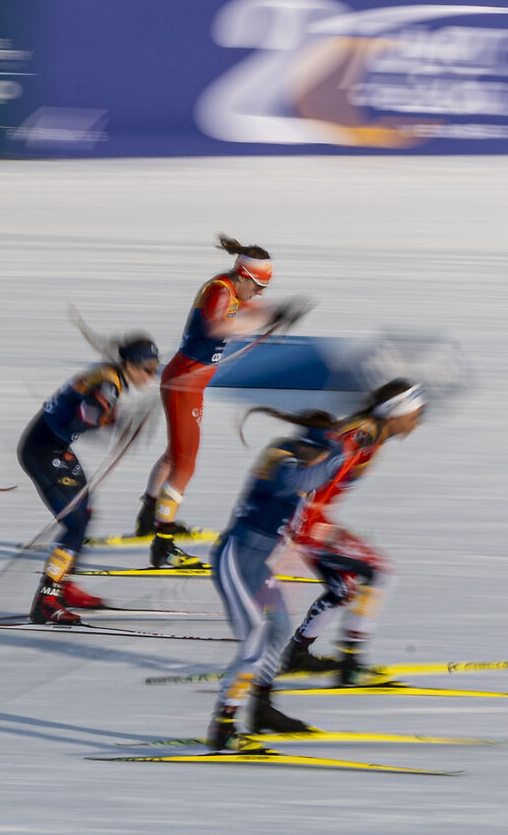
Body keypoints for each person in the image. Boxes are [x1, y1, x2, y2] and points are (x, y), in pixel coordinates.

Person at [204, 407, 347, 750]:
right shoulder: (280, 459)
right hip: (235, 561)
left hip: (256, 566)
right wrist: (339, 452)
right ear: (311, 448)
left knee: (280, 628)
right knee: (254, 641)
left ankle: (262, 710)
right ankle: (223, 727)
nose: (323, 464)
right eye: (321, 456)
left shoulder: (304, 460)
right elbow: (301, 481)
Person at [136, 234, 279, 567]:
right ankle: (163, 543)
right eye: (257, 285)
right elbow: (217, 327)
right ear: (243, 275)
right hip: (185, 385)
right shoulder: (219, 291)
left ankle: (149, 517)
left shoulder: (233, 288)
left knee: (176, 457)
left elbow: (252, 310)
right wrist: (259, 320)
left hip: (187, 384)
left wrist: (273, 313)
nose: (258, 293)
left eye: (263, 288)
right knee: (185, 465)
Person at [282, 378, 426, 683]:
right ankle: (351, 664)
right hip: (308, 523)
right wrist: (311, 528)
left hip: (306, 521)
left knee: (345, 588)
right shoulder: (360, 439)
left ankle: (297, 655)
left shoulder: (368, 434)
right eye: (414, 417)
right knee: (380, 573)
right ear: (394, 414)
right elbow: (316, 483)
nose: (417, 424)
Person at [17, 334, 162, 625]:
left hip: (56, 448)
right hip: (43, 452)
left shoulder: (110, 376)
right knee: (74, 524)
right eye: (148, 369)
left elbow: (85, 415)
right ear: (131, 365)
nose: (151, 376)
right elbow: (82, 420)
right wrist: (118, 423)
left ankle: (65, 584)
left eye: (155, 369)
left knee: (86, 514)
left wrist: (116, 421)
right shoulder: (108, 383)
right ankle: (46, 599)